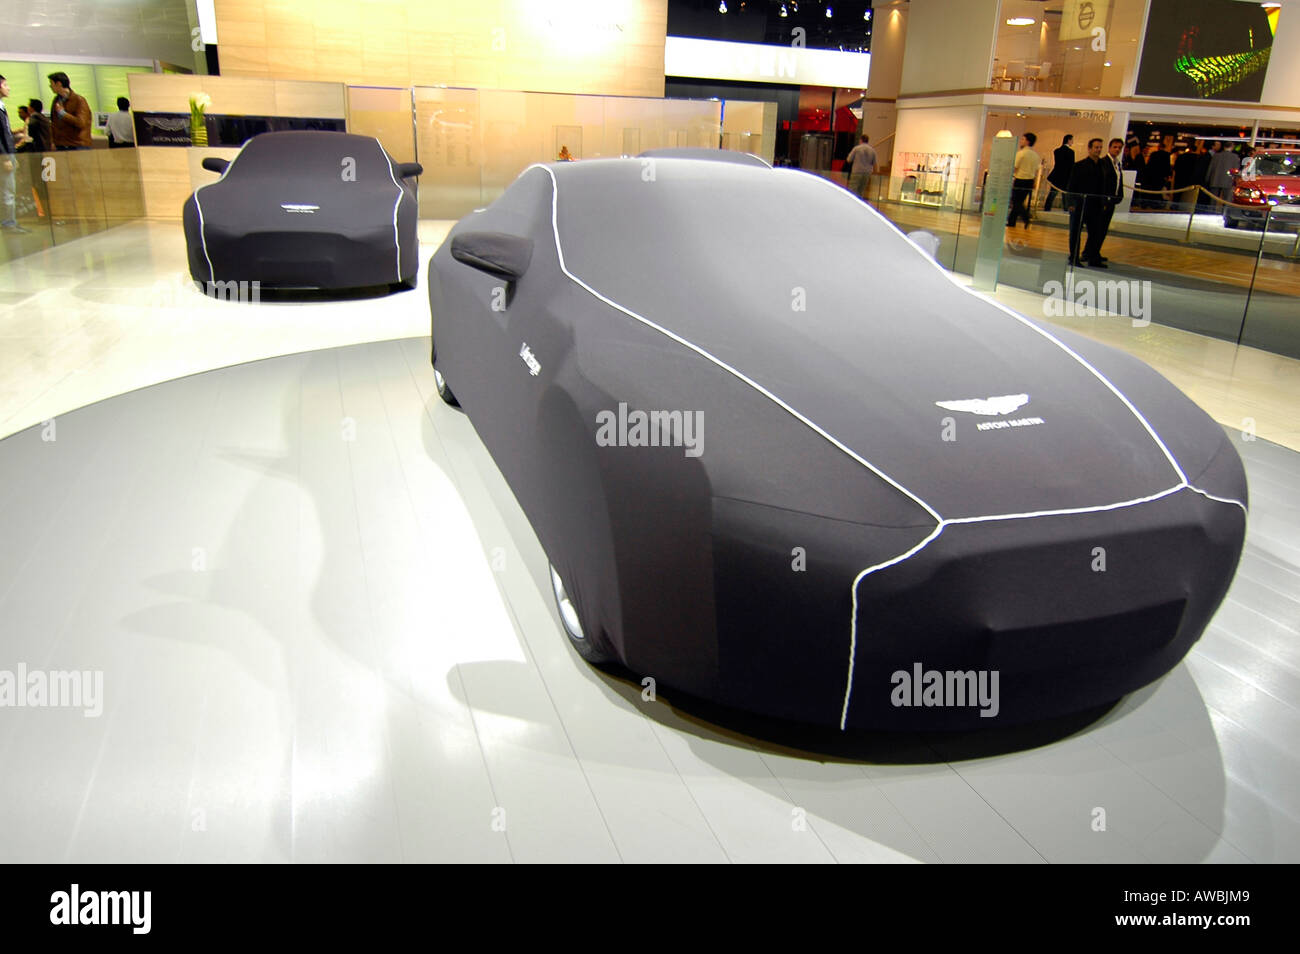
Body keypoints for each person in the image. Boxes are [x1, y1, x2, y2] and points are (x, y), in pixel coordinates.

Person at [1066, 137, 1110, 268]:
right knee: (1076, 232)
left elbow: (1103, 186)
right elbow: (1071, 186)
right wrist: (1071, 203)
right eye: (1096, 147)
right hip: (1081, 204)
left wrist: (1104, 202)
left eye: (1100, 147)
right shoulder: (1079, 166)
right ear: (1089, 149)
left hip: (1096, 205)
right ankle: (1073, 258)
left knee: (1095, 232)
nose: (1098, 150)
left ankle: (1092, 258)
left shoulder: (1103, 166)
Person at [0, 75, 28, 233]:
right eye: (5, 84)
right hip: (3, 156)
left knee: (9, 189)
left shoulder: (2, 106)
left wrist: (13, 154)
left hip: (8, 154)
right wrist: (5, 156)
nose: (8, 87)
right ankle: (8, 223)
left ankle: (10, 221)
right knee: (7, 190)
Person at [1094, 138, 1125, 262]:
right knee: (1098, 229)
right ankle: (1091, 253)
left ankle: (1095, 251)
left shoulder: (1117, 164)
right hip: (1103, 202)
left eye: (1119, 148)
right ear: (1109, 147)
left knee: (1103, 229)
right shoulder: (1103, 162)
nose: (1117, 149)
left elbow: (1118, 181)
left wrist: (1118, 197)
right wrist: (1104, 200)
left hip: (1112, 201)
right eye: (1115, 147)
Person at [47, 72, 92, 150]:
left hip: (77, 145)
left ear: (58, 84)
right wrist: (53, 142)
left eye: (51, 83)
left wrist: (63, 114)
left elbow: (81, 123)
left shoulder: (79, 100)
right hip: (61, 145)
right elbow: (54, 123)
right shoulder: (56, 100)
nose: (50, 86)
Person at [1006, 132, 1040, 228]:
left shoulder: (1021, 154)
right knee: (1019, 202)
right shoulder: (1035, 155)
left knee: (1016, 202)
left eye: (1023, 139)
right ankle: (1012, 221)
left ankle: (1026, 217)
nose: (1021, 141)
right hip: (1030, 181)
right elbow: (1036, 170)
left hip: (1020, 179)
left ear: (1027, 141)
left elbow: (1015, 167)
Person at [1138, 137, 1171, 210]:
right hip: (1160, 177)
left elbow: (1149, 165)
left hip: (1151, 176)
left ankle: (1148, 204)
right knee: (1157, 192)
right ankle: (1156, 205)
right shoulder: (1167, 155)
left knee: (1150, 191)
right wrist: (1168, 175)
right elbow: (1167, 166)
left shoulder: (1154, 154)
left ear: (1159, 147)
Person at [1044, 134, 1074, 211]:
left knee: (1052, 193)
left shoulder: (1057, 151)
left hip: (1056, 175)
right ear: (1069, 140)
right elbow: (1071, 166)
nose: (1072, 142)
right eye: (1072, 140)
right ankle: (1066, 210)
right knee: (1065, 194)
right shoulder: (1071, 152)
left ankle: (1047, 208)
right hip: (1065, 177)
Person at [845, 134, 878, 199]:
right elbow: (875, 164)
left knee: (853, 190)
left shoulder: (856, 148)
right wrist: (875, 173)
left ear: (861, 140)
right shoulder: (872, 150)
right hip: (867, 173)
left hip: (857, 172)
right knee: (861, 191)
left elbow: (849, 160)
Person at [1172, 144, 1199, 211]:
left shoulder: (1181, 156)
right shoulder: (1198, 158)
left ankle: (1174, 206)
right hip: (1191, 179)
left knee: (1177, 194)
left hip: (1179, 177)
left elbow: (1175, 167)